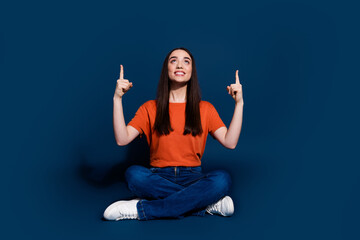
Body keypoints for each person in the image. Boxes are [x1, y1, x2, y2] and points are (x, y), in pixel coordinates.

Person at [103, 47, 244, 221]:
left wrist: (239, 104)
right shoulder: (150, 108)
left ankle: (141, 209)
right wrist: (117, 99)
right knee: (133, 175)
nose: (179, 65)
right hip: (157, 177)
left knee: (222, 179)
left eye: (186, 61)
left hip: (193, 178)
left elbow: (230, 142)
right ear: (166, 69)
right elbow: (122, 139)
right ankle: (205, 204)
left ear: (192, 71)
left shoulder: (205, 108)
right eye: (173, 60)